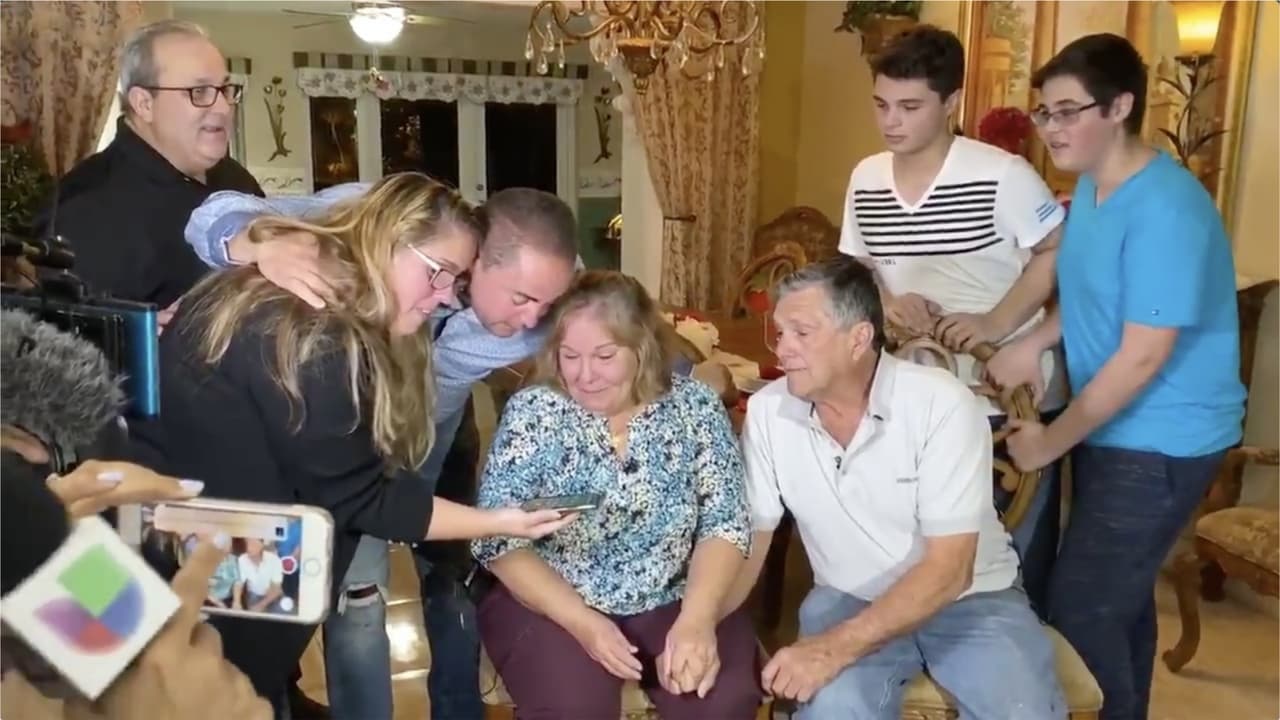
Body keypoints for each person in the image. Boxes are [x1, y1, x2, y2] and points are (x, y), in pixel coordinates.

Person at [147, 173, 574, 714]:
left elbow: (626, 328)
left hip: (252, 507)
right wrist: (258, 241)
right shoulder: (319, 337)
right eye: (441, 273)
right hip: (235, 529)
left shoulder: (535, 272)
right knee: (332, 615)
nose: (535, 319)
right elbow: (364, 499)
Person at [989, 34, 1245, 720]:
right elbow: (1092, 296)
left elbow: (1142, 356)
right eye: (1044, 113)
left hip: (1164, 439)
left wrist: (1050, 441)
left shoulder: (1167, 208)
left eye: (1068, 112)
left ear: (1121, 106)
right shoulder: (1095, 191)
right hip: (1115, 427)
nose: (1051, 129)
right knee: (1119, 606)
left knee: (1082, 610)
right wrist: (1034, 340)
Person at [727, 258, 1065, 718]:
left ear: (858, 339)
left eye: (801, 333)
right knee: (832, 708)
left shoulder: (940, 404)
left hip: (971, 599)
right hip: (847, 596)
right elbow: (749, 540)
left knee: (1021, 710)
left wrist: (832, 649)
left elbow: (950, 571)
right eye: (780, 333)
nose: (783, 350)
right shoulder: (769, 412)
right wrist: (702, 624)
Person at [838, 25, 1067, 617]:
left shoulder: (1003, 174)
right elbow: (859, 266)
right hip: (909, 393)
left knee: (1005, 562)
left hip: (1000, 393)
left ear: (951, 102)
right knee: (915, 557)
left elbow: (1058, 251)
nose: (891, 121)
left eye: (910, 107)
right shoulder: (866, 177)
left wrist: (993, 322)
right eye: (882, 105)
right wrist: (888, 303)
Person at [472, 270, 761, 719]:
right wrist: (582, 621)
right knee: (575, 707)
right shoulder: (535, 412)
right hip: (553, 600)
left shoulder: (694, 407)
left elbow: (725, 522)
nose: (585, 375)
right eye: (570, 356)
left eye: (604, 356)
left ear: (641, 349)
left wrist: (697, 620)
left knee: (720, 698)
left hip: (673, 595)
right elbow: (497, 538)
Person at [34, 20, 261, 308]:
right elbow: (76, 330)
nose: (223, 107)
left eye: (225, 89)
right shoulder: (82, 209)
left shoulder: (236, 179)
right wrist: (141, 328)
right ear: (144, 104)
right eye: (199, 92)